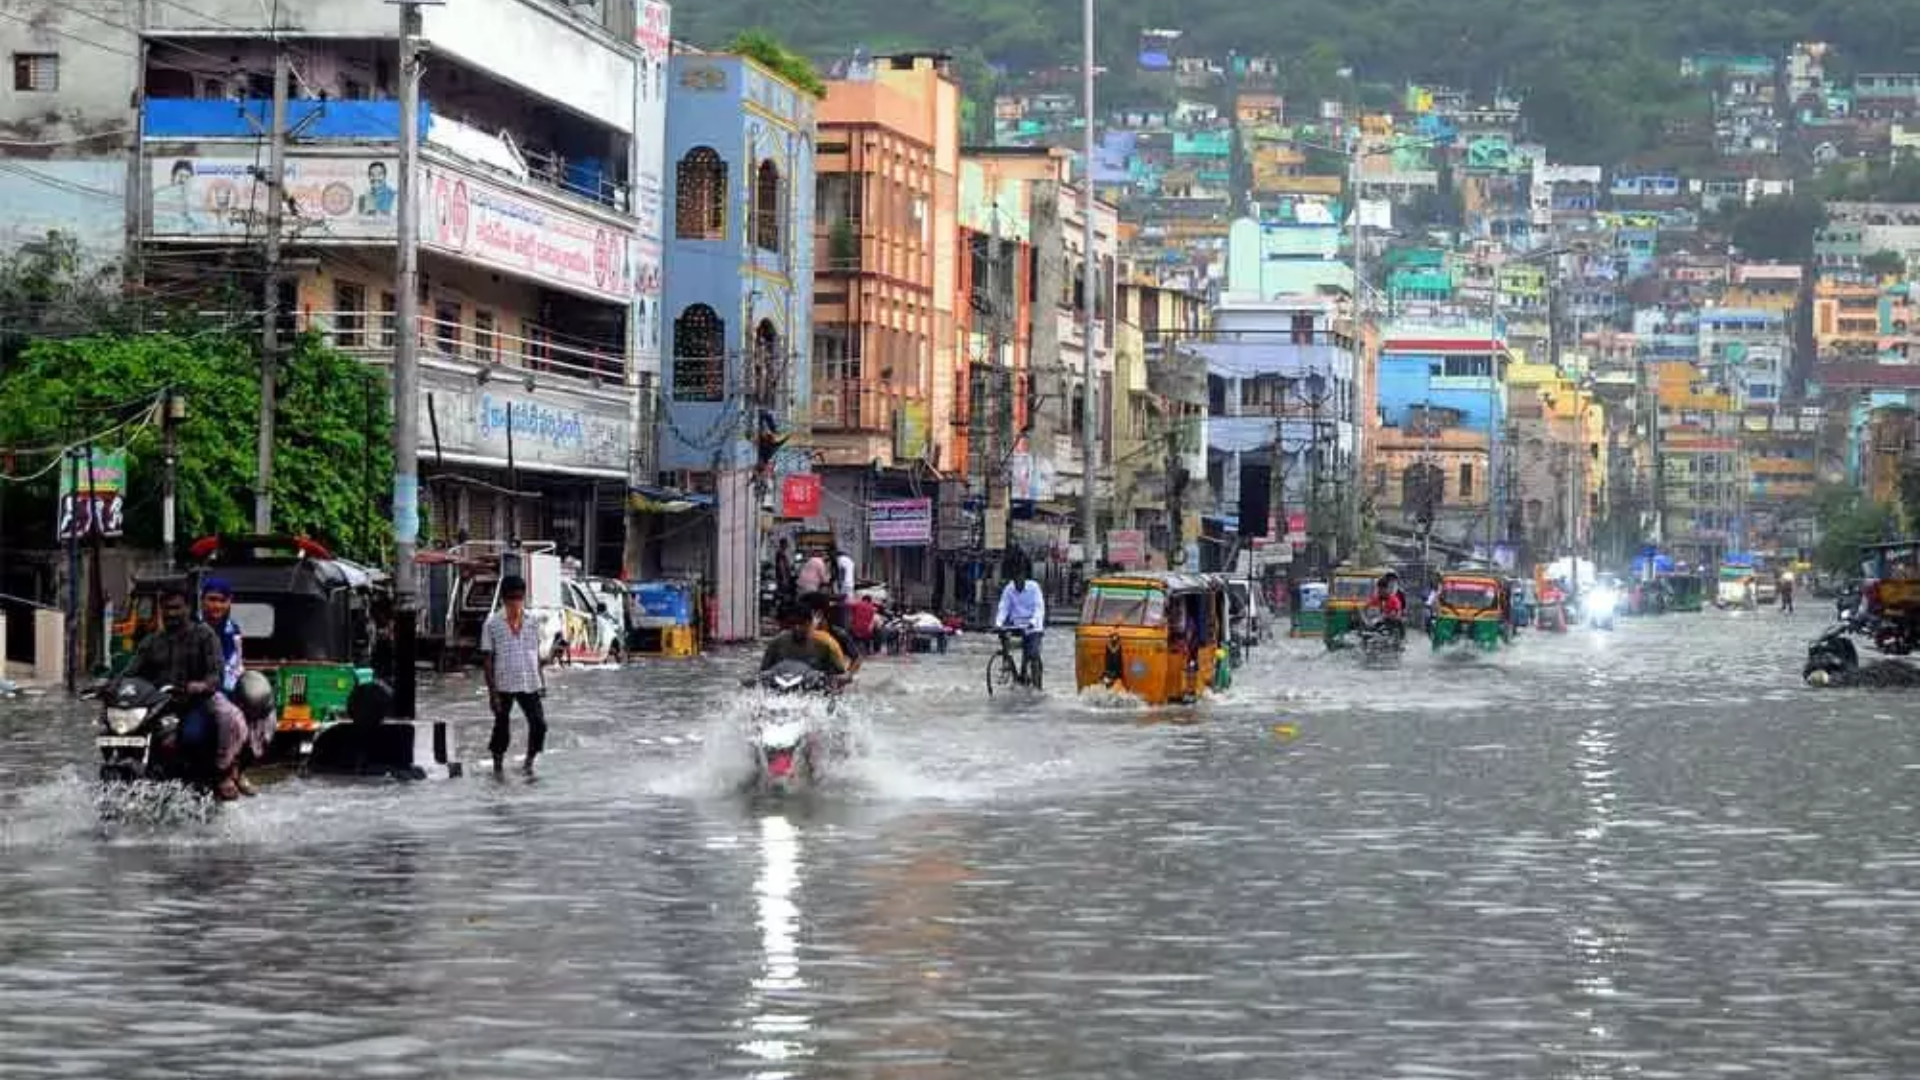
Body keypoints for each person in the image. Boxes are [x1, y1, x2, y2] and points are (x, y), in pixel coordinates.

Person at [130, 584, 244, 799]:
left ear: (188, 608)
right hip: (157, 706)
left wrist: (199, 686)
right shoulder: (152, 641)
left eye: (176, 608)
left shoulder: (205, 636)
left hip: (194, 703)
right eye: (166, 608)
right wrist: (110, 686)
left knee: (193, 736)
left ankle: (217, 775)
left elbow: (216, 675)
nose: (171, 613)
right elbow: (131, 672)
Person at [200, 578, 272, 796]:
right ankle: (222, 772)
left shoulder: (233, 629)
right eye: (211, 600)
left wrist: (240, 688)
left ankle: (239, 769)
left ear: (229, 602)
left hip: (229, 685)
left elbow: (237, 662)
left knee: (265, 714)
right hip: (203, 688)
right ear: (202, 601)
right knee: (232, 719)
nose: (216, 606)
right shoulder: (195, 627)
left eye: (221, 600)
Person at [480, 575, 548, 777]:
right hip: (504, 683)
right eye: (511, 598)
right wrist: (492, 694)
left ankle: (529, 762)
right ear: (503, 598)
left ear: (523, 597)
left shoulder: (533, 621)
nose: (515, 603)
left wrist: (542, 681)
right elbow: (487, 660)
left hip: (529, 681)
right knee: (501, 727)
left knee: (539, 725)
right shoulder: (492, 624)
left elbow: (535, 652)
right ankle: (497, 767)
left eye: (519, 598)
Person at [759, 600, 850, 675]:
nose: (797, 628)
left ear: (810, 624)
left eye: (802, 624)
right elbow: (764, 670)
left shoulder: (826, 643)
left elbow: (840, 673)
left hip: (815, 687)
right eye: (793, 623)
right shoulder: (777, 642)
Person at [994, 562, 1047, 685]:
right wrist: (998, 622)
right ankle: (1006, 665)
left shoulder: (1034, 587)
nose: (1018, 584)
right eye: (1015, 581)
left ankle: (1036, 681)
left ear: (1024, 578)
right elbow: (1004, 607)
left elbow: (1039, 608)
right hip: (1016, 625)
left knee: (1032, 653)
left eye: (1020, 580)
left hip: (1033, 627)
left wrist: (1033, 622)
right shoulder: (1009, 589)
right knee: (1004, 636)